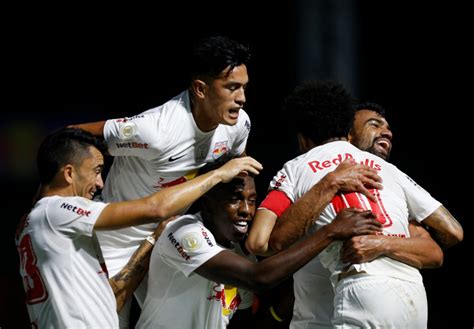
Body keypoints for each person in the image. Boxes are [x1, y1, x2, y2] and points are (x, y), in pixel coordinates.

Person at [69, 35, 254, 324]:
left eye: (243, 87)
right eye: (232, 88)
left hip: (170, 240)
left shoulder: (238, 125)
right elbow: (69, 137)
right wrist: (52, 201)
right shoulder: (155, 131)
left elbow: (239, 179)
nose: (241, 98)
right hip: (115, 243)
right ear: (200, 89)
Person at [247, 81, 463, 328]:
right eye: (374, 124)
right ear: (348, 132)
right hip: (411, 294)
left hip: (354, 294)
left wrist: (329, 187)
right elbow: (452, 231)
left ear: (302, 139)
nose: (386, 131)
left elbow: (261, 242)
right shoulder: (389, 171)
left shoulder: (296, 168)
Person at [15, 127, 263, 328]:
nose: (101, 184)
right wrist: (218, 175)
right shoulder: (55, 211)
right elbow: (154, 208)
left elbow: (111, 299)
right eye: (97, 171)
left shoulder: (48, 227)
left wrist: (151, 242)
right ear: (68, 173)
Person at [135, 163, 384, 329]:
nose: (246, 211)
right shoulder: (185, 232)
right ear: (208, 204)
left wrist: (289, 301)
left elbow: (246, 317)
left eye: (252, 201)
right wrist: (330, 232)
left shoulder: (241, 253)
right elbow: (257, 278)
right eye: (235, 200)